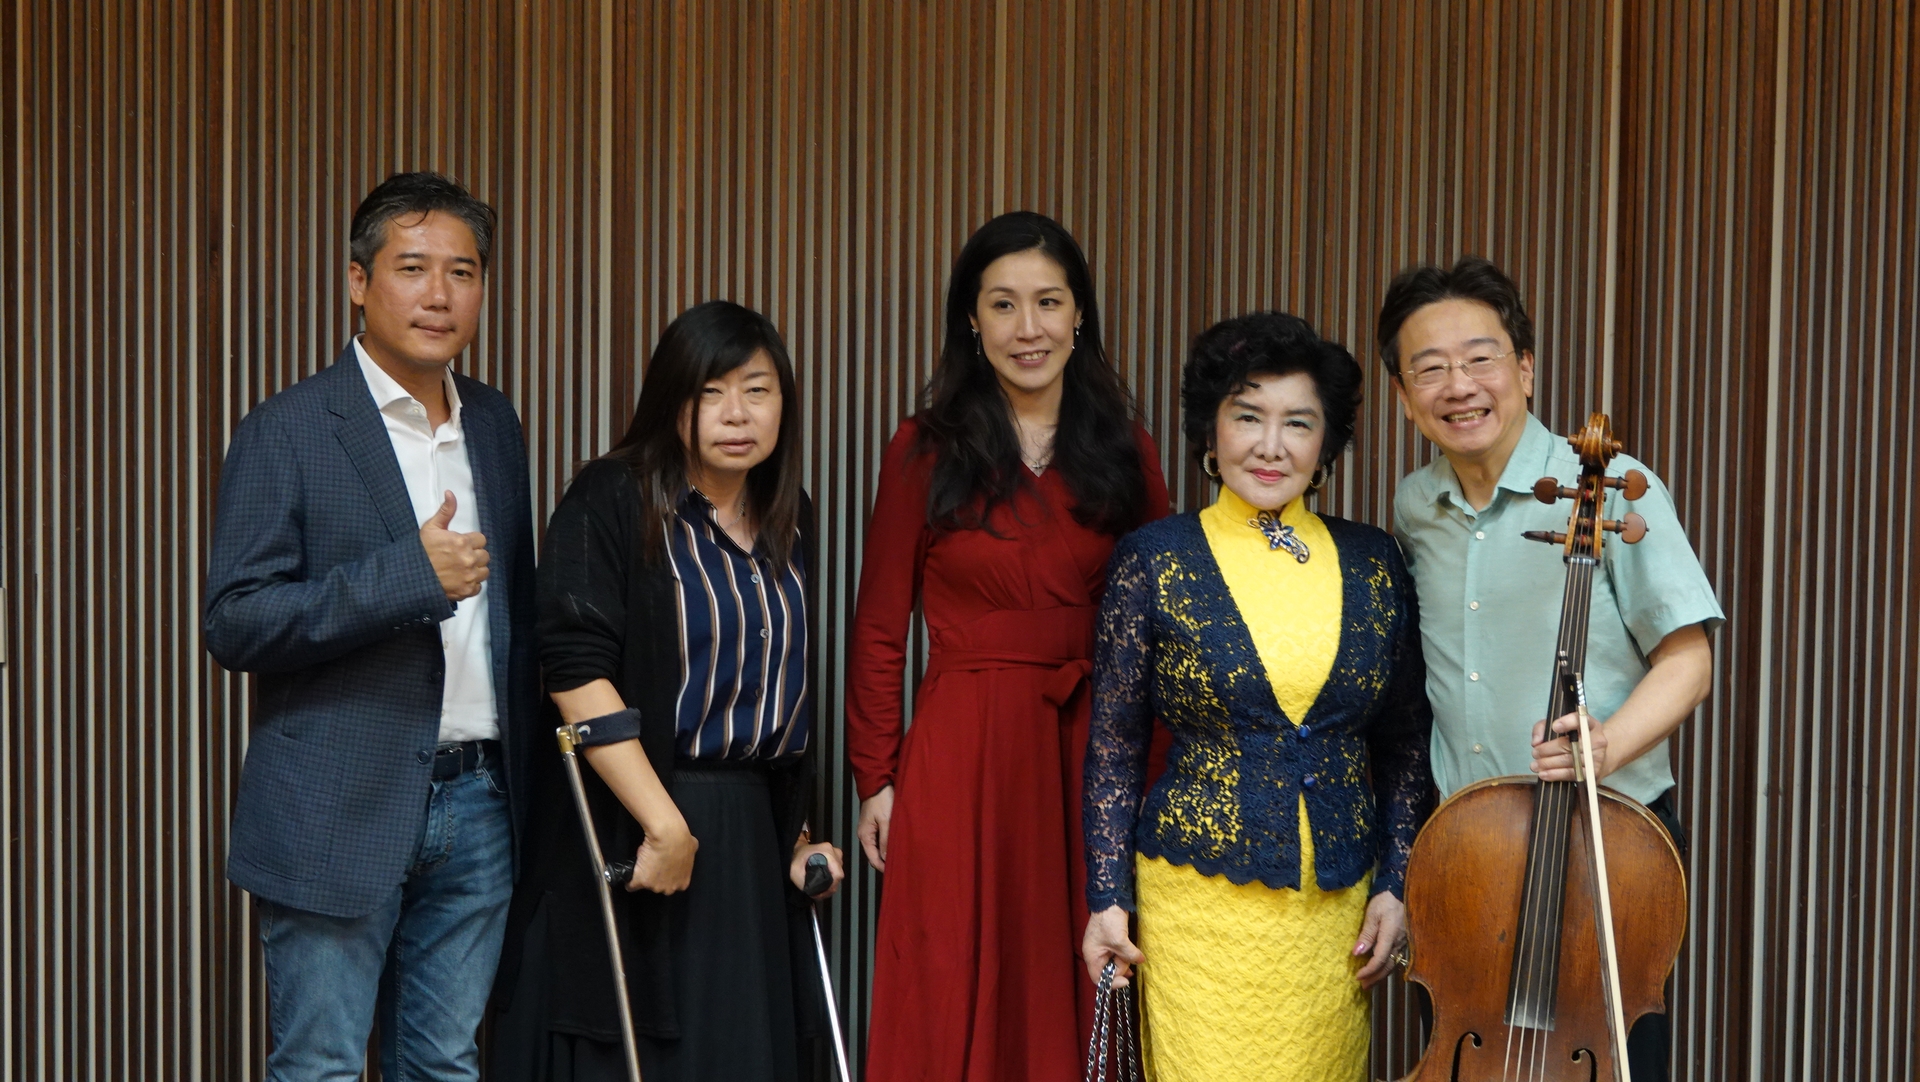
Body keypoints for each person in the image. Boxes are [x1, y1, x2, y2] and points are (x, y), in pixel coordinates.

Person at [203, 172, 535, 1080]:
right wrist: (406, 579)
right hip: (333, 804)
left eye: (462, 272)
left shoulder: (495, 426)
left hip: (480, 802)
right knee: (320, 1066)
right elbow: (234, 621)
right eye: (413, 268)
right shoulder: (289, 429)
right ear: (359, 281)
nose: (440, 295)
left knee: (446, 1065)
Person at [846, 211, 1171, 1082]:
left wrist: (1157, 772)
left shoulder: (1127, 449)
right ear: (971, 319)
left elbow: (1169, 622)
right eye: (1003, 304)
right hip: (965, 748)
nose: (1028, 328)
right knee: (953, 965)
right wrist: (876, 777)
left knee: (1081, 967)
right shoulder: (923, 449)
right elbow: (879, 625)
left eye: (1048, 302)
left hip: (1095, 749)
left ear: (1079, 314)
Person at [1379, 256, 1721, 1081]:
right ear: (1403, 395)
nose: (1460, 386)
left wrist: (1605, 745)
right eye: (1430, 368)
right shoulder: (1415, 506)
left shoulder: (1611, 488)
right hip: (1467, 854)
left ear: (1525, 369)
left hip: (1604, 845)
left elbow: (1689, 659)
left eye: (1481, 358)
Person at [490, 300, 843, 1082]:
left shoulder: (792, 520)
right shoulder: (613, 496)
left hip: (747, 840)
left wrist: (796, 837)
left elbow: (766, 693)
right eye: (709, 392)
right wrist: (665, 825)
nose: (736, 414)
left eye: (757, 390)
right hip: (639, 819)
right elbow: (575, 673)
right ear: (670, 400)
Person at [1081, 311, 1435, 1082]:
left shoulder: (1373, 562)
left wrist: (1396, 884)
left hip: (1333, 920)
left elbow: (1407, 743)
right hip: (1197, 906)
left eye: (1297, 423)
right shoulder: (1155, 559)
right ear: (1211, 432)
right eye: (1248, 417)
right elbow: (1114, 747)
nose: (1271, 445)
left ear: (1326, 446)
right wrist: (1107, 898)